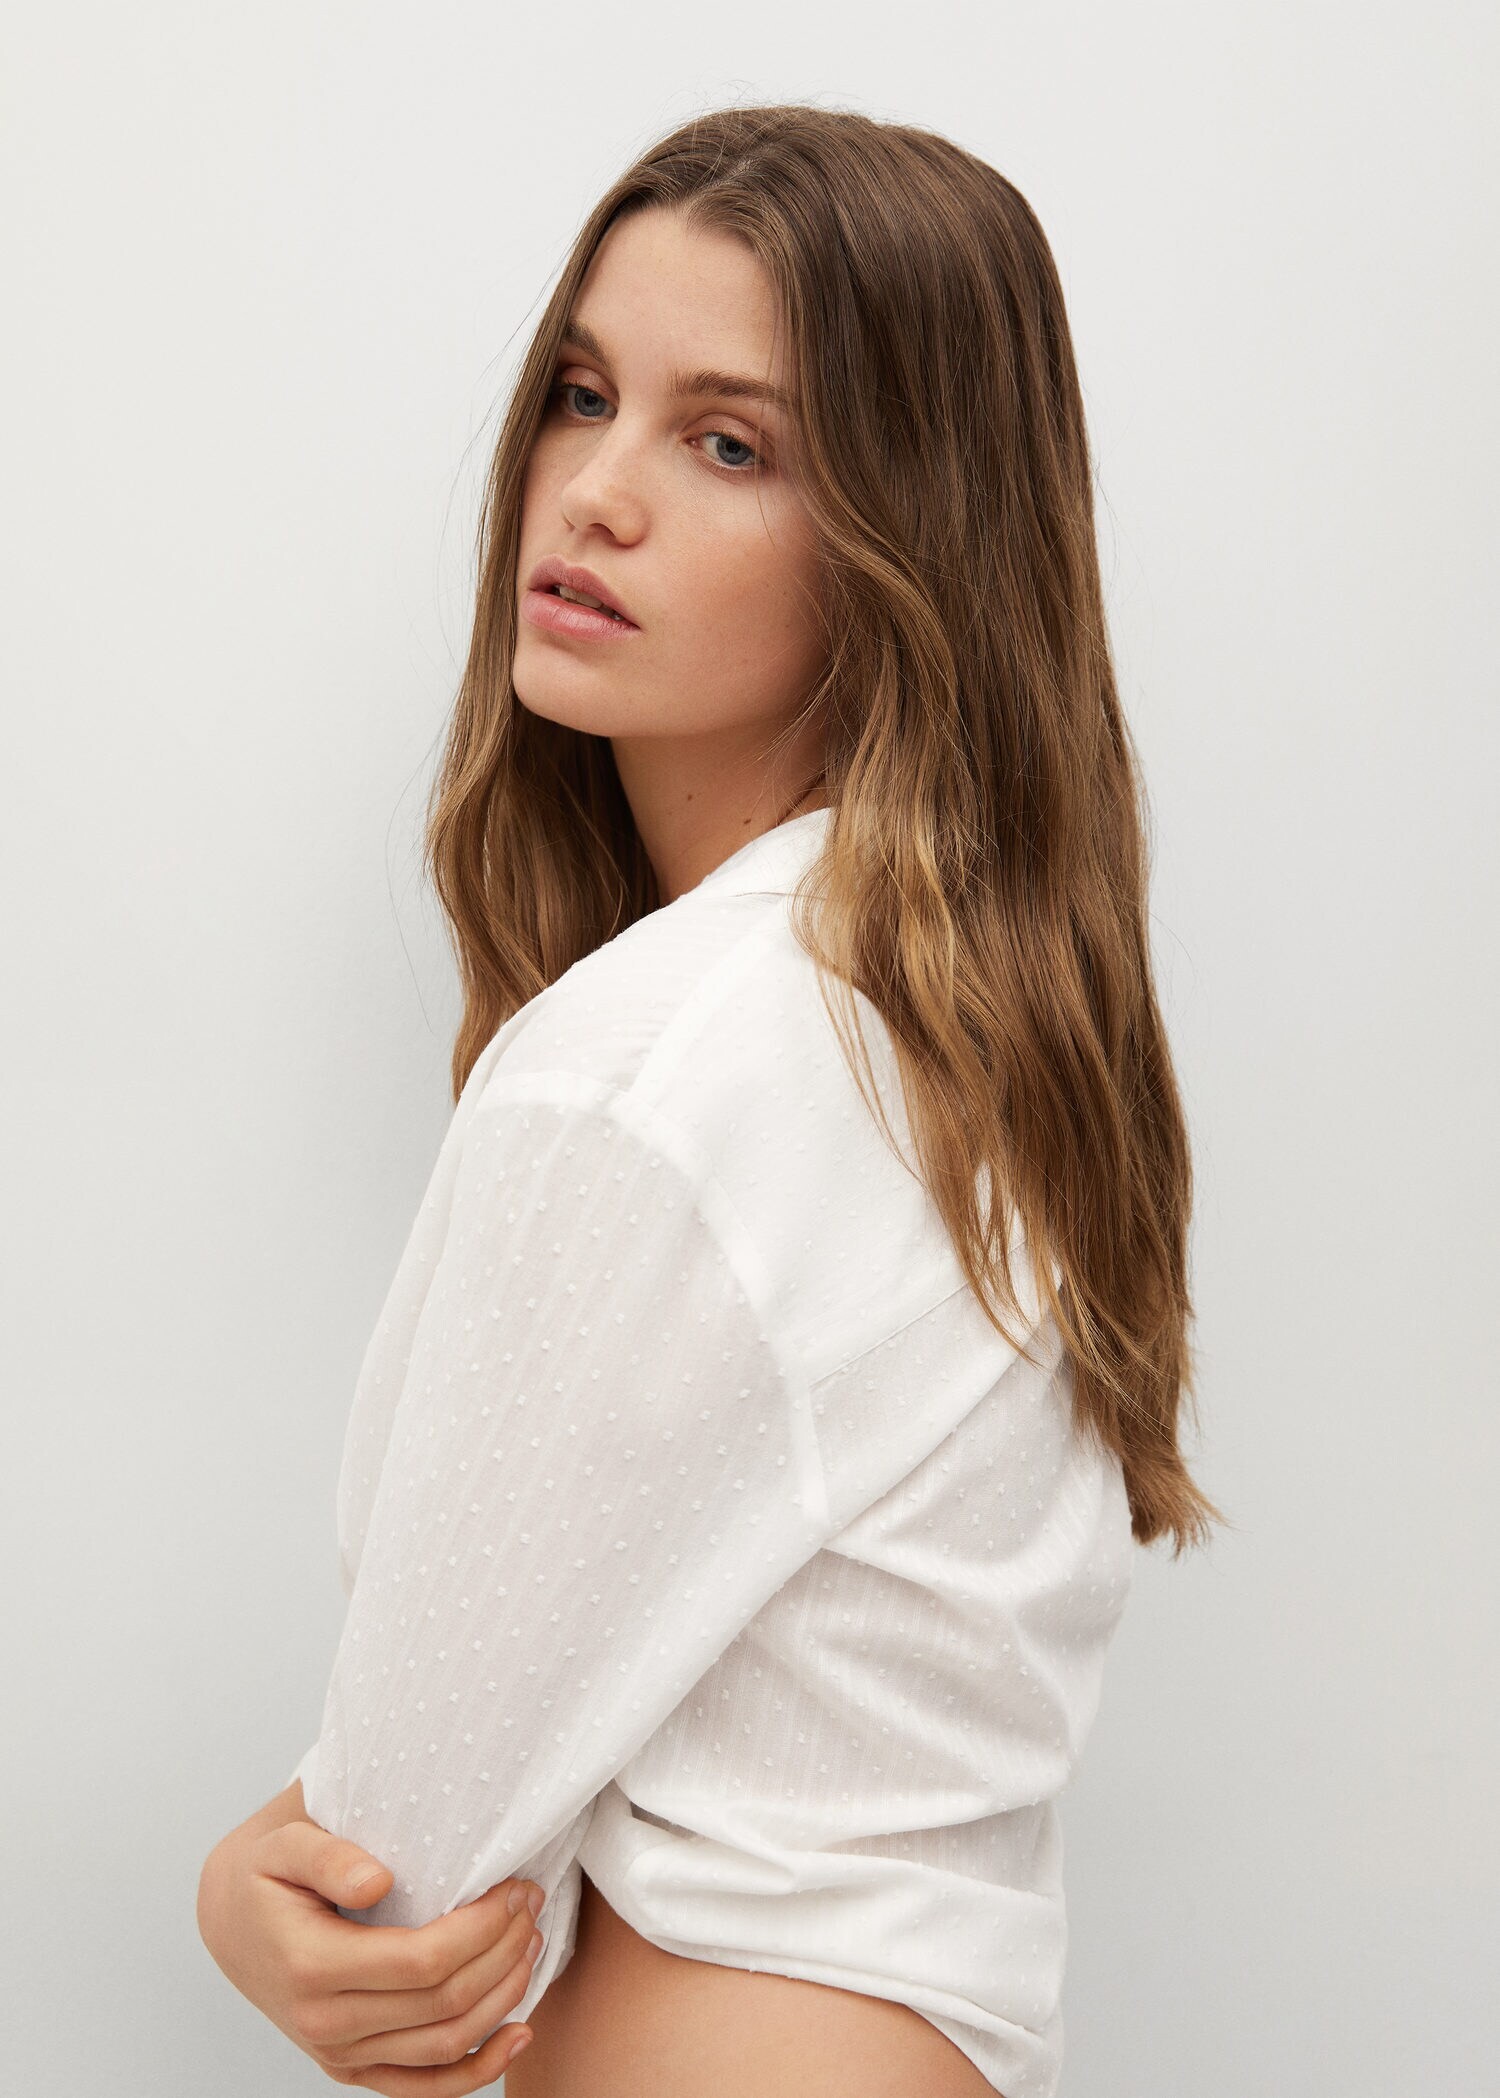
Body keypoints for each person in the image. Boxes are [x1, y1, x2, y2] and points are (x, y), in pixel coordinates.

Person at [197, 102, 1228, 2098]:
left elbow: (398, 1879)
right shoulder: (946, 1032)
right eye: (583, 396)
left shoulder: (654, 1074)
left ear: (913, 539)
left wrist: (248, 1887)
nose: (594, 493)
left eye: (730, 443)